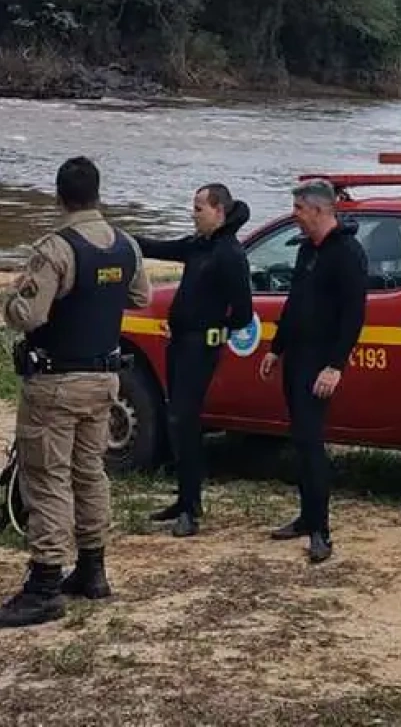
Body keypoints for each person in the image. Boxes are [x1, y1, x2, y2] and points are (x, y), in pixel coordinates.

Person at [0, 156, 151, 627]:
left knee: (45, 478)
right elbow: (140, 297)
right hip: (104, 381)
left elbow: (28, 316)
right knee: (90, 474)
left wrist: (12, 297)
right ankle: (92, 568)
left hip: (56, 383)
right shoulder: (126, 245)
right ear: (98, 193)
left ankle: (45, 583)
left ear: (60, 195)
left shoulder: (55, 249)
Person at [260, 178, 368, 563]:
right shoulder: (308, 250)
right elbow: (295, 302)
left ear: (319, 210)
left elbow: (354, 316)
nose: (295, 217)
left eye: (299, 210)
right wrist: (277, 348)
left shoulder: (347, 253)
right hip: (297, 358)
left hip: (322, 362)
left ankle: (321, 530)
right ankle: (306, 516)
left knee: (311, 442)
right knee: (300, 440)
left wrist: (335, 366)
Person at [136, 184, 253, 538]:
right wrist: (122, 239)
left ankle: (190, 508)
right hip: (181, 345)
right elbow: (159, 247)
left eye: (199, 208)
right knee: (177, 420)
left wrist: (212, 331)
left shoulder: (229, 254)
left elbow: (244, 311)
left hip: (201, 348)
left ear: (219, 210)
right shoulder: (198, 246)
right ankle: (185, 499)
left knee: (184, 420)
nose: (193, 213)